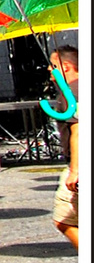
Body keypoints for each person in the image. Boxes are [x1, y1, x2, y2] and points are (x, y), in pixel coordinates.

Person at [49, 47, 79, 250]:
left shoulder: (71, 92)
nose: (50, 72)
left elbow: (79, 131)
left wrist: (75, 171)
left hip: (78, 166)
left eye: (53, 66)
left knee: (64, 220)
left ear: (65, 67)